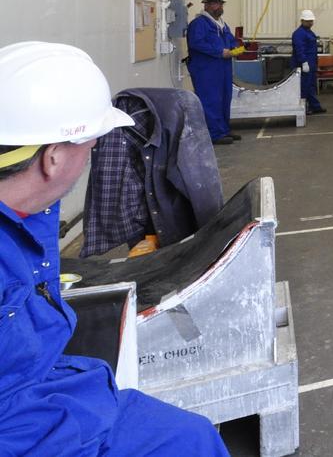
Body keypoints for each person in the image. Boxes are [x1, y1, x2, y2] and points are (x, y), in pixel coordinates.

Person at [0, 41, 230, 456]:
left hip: (56, 390)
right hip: (35, 426)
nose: (91, 160)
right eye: (89, 149)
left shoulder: (28, 212)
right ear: (53, 158)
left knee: (191, 434)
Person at [187, 0, 240, 145]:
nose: (220, 7)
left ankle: (224, 129)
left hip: (223, 68)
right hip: (206, 70)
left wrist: (236, 49)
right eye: (217, 4)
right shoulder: (199, 24)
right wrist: (219, 52)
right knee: (211, 100)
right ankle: (214, 134)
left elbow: (231, 40)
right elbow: (196, 43)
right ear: (208, 5)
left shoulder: (222, 24)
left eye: (221, 4)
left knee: (224, 98)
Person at [292, 9, 325, 114]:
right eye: (308, 21)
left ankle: (314, 106)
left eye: (311, 21)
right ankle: (303, 107)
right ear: (302, 21)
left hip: (311, 63)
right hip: (303, 64)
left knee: (311, 85)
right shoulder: (299, 33)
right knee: (304, 86)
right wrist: (304, 62)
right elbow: (299, 49)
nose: (310, 23)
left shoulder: (309, 32)